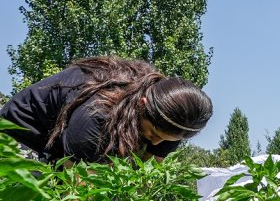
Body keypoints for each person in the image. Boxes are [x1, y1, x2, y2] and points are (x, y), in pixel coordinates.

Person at [0, 56, 213, 165]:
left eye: (165, 140)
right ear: (142, 104)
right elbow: (82, 191)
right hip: (22, 134)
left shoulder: (172, 123)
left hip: (63, 143)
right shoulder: (97, 114)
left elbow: (144, 179)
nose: (156, 142)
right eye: (154, 134)